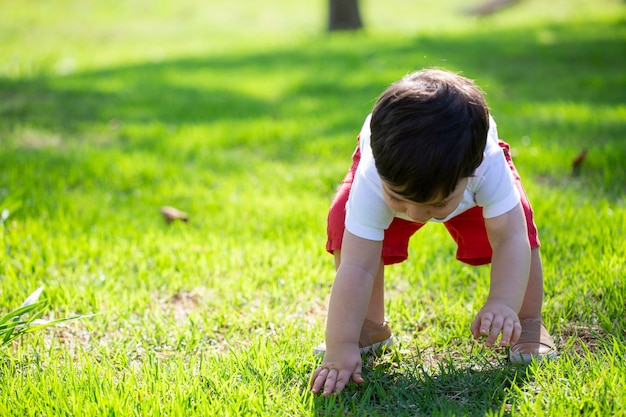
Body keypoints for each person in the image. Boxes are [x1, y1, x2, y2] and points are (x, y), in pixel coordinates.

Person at [310, 68, 557, 396]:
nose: (414, 215)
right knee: (344, 222)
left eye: (435, 205)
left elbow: (510, 238)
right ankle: (368, 327)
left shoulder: (486, 167)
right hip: (399, 176)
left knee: (520, 224)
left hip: (460, 179)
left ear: (470, 176)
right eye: (401, 201)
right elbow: (357, 266)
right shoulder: (376, 180)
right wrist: (338, 346)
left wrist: (502, 301)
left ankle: (527, 321)